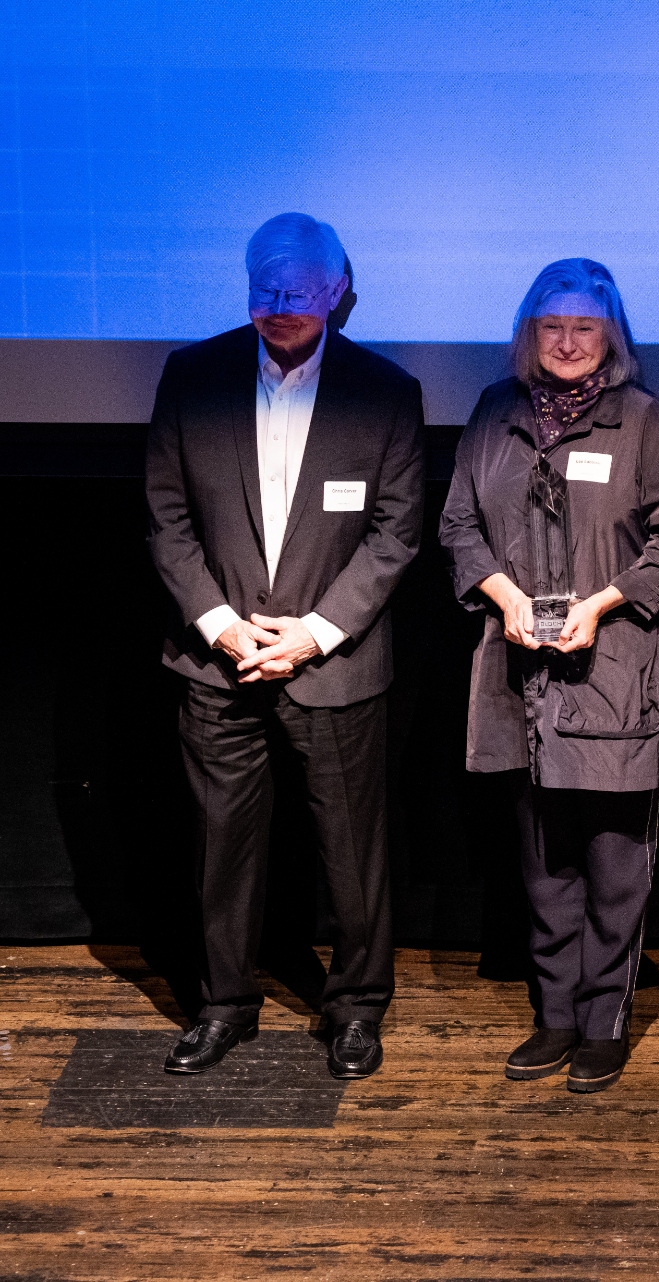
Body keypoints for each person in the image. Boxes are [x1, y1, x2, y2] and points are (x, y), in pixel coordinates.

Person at [145, 212, 424, 1079]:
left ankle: (354, 1009)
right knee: (221, 847)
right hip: (215, 664)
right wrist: (225, 628)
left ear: (339, 291)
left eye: (299, 291)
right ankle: (223, 1003)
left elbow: (396, 533)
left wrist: (308, 635)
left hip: (333, 665)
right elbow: (167, 518)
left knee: (351, 852)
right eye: (265, 288)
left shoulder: (386, 391)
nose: (280, 306)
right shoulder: (192, 377)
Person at [438, 259, 659, 1094]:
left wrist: (603, 603)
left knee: (615, 866)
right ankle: (554, 1018)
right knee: (544, 864)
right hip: (518, 675)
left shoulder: (647, 421)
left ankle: (603, 1020)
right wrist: (505, 594)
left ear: (611, 335)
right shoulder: (493, 413)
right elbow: (456, 525)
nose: (566, 342)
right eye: (551, 326)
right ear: (530, 332)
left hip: (617, 673)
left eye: (584, 327)